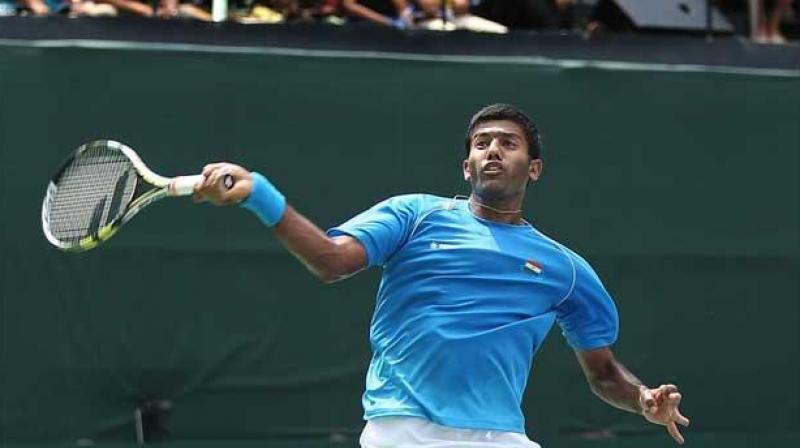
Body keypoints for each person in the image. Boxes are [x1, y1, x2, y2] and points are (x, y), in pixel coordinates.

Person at [193, 104, 690, 448]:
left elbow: (603, 373)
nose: (493, 150)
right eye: (482, 143)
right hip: (405, 431)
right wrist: (258, 193)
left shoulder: (565, 269)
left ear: (533, 168)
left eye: (508, 144)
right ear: (467, 166)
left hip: (501, 436)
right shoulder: (414, 215)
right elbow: (330, 260)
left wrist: (643, 399)